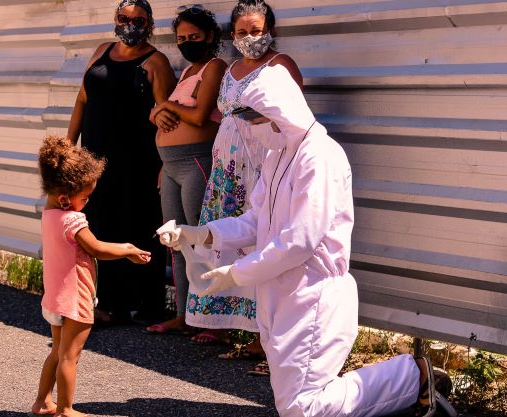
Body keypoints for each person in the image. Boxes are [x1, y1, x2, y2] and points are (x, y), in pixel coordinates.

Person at [159, 65, 444, 417]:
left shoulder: (319, 156)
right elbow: (255, 220)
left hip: (312, 293)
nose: (251, 125)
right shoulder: (278, 154)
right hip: (279, 292)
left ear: (279, 111)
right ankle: (409, 380)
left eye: (254, 116)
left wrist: (237, 273)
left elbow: (301, 240)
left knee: (302, 408)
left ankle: (410, 376)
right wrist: (203, 233)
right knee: (295, 404)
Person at [183, 0, 303, 375]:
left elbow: (292, 116)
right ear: (231, 35)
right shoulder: (231, 69)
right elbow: (224, 114)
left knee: (260, 241)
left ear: (270, 30)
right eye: (242, 32)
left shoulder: (281, 65)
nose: (250, 38)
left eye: (257, 30)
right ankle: (239, 331)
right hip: (227, 168)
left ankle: (267, 342)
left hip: (261, 166)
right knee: (229, 241)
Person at [66, 0, 176, 325]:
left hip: (137, 164)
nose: (131, 25)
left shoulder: (157, 63)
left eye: (139, 20)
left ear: (150, 24)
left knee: (138, 228)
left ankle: (147, 307)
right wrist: (69, 147)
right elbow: (82, 99)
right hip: (94, 162)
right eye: (124, 18)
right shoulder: (101, 51)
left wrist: (164, 164)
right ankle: (111, 304)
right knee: (102, 228)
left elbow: (167, 118)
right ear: (115, 20)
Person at [32, 136, 151, 417]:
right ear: (65, 198)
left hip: (54, 298)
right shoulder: (73, 220)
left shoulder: (49, 214)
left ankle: (42, 402)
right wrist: (128, 249)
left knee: (57, 352)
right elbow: (97, 249)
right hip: (75, 298)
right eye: (84, 197)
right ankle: (66, 409)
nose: (86, 203)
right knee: (70, 357)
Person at [143, 4, 227, 335]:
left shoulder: (215, 67)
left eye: (194, 36)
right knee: (176, 241)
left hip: (196, 163)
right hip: (172, 166)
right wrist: (156, 113)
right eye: (181, 37)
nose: (187, 42)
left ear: (209, 36)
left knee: (202, 239)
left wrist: (161, 106)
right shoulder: (187, 74)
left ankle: (214, 322)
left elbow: (199, 115)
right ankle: (184, 314)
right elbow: (169, 112)